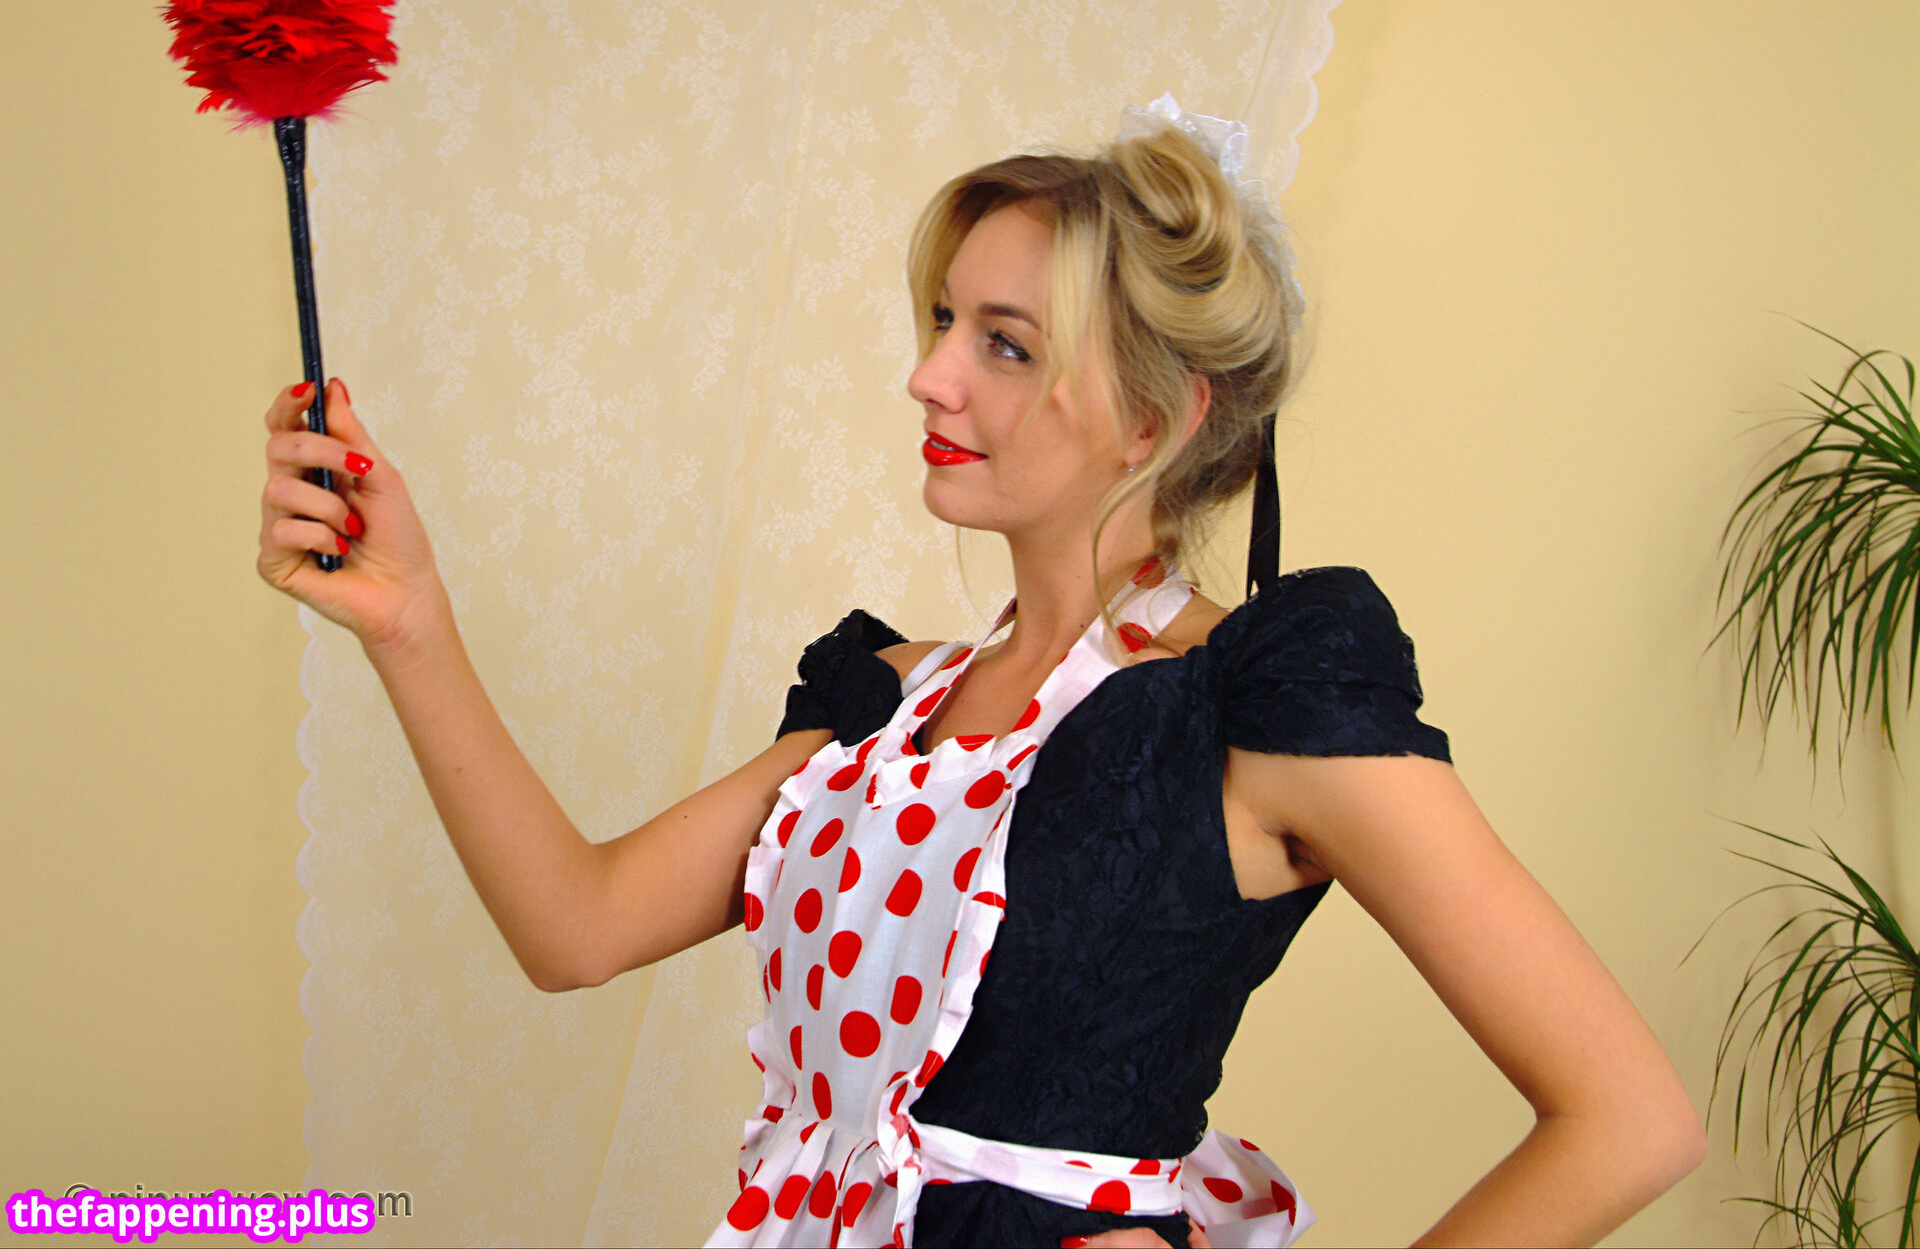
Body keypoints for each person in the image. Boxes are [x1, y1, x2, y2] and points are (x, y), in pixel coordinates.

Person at [256, 102, 1704, 1248]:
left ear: (1155, 418)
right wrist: (412, 622)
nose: (931, 375)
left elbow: (1630, 1119)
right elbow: (574, 928)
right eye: (945, 321)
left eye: (1004, 345)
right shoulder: (885, 702)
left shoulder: (1247, 708)